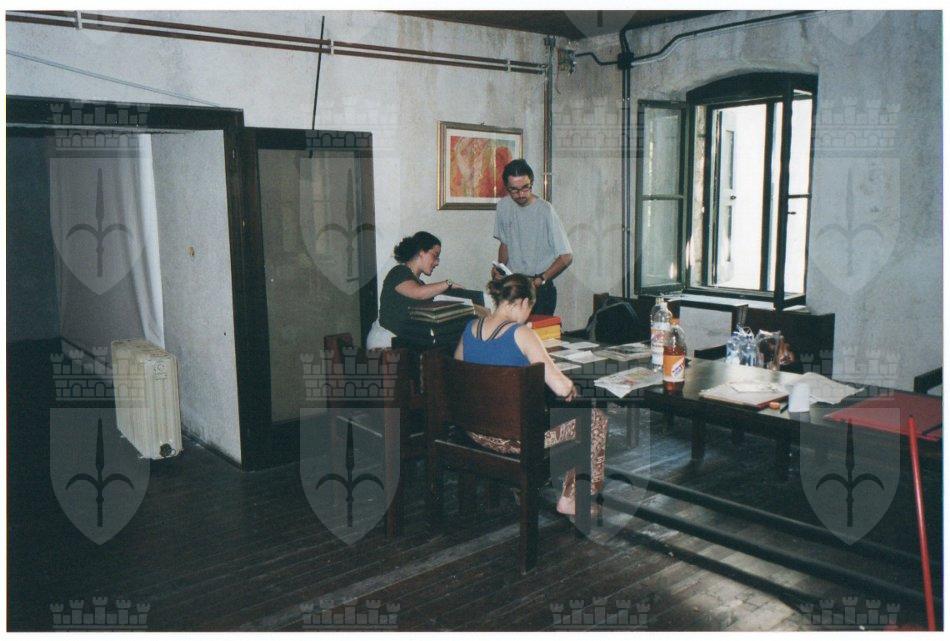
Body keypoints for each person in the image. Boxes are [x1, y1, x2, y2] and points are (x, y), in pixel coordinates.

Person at [454, 273, 606, 516]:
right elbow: (561, 388)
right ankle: (572, 500)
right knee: (593, 418)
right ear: (524, 302)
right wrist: (570, 385)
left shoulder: (470, 327)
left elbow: (459, 373)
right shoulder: (522, 333)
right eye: (530, 308)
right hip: (516, 439)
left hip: (474, 431)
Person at [492, 159, 573, 316]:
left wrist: (541, 279)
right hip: (513, 286)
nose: (521, 194)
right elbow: (505, 244)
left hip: (539, 288)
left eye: (525, 188)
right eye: (514, 190)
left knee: (537, 331)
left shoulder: (545, 210)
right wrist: (499, 269)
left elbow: (567, 256)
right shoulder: (503, 206)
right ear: (507, 188)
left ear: (532, 183)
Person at [379, 231, 462, 339]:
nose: (437, 263)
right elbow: (418, 293)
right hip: (386, 339)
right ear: (421, 252)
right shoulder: (399, 272)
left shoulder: (420, 283)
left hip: (403, 339)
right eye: (435, 256)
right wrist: (448, 283)